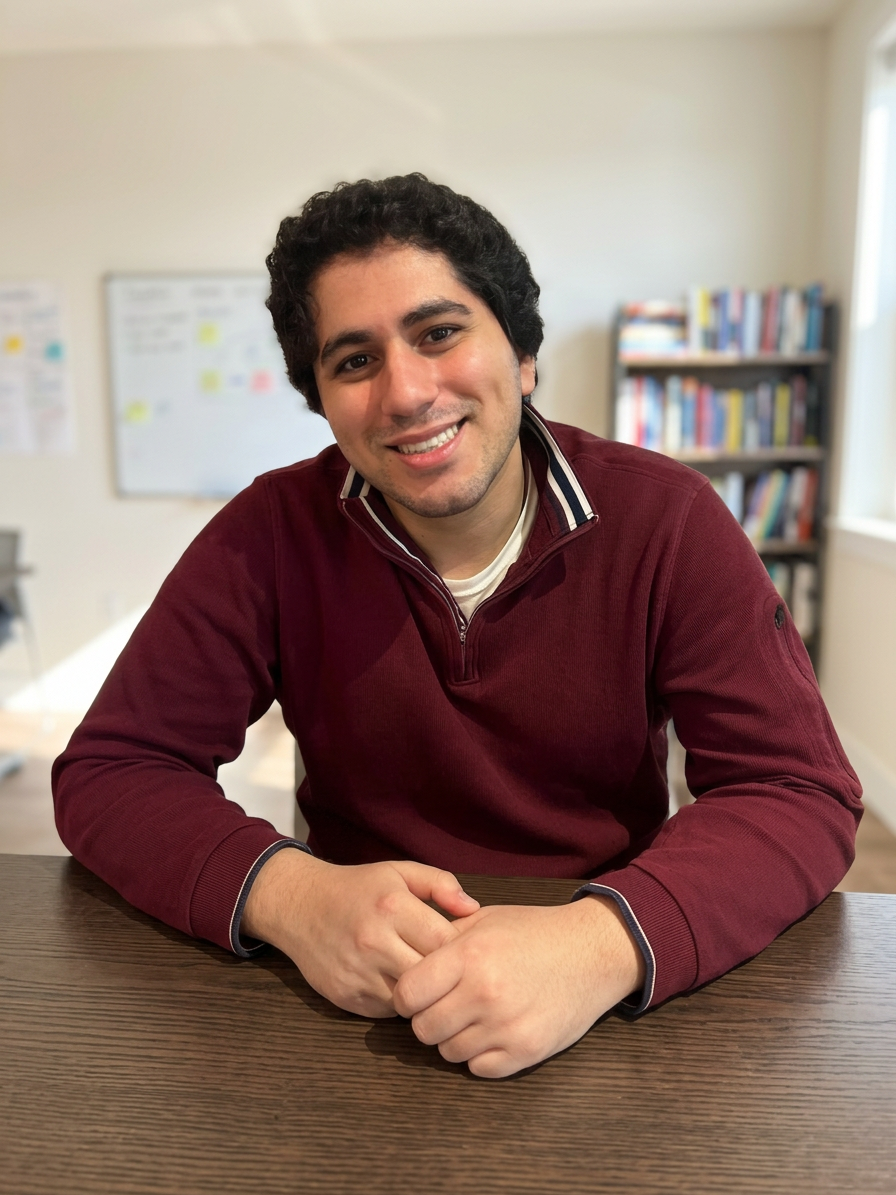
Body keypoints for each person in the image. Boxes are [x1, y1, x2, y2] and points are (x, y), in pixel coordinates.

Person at [53, 174, 862, 1079]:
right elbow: (112, 770)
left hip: (604, 991)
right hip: (345, 998)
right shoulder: (270, 534)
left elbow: (798, 790)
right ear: (322, 401)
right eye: (353, 361)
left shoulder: (668, 521)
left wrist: (601, 943)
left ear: (521, 353)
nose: (404, 392)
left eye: (439, 333)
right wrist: (289, 894)